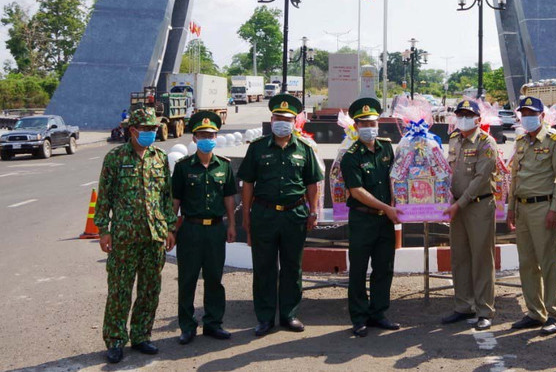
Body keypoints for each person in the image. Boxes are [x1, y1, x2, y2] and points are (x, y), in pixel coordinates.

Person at [94, 107, 177, 364]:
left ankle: (141, 336)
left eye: (153, 129)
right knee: (119, 291)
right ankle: (116, 340)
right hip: (124, 237)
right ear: (133, 131)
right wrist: (103, 230)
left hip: (154, 236)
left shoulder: (160, 158)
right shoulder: (115, 158)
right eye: (146, 129)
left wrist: (170, 228)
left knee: (149, 289)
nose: (151, 133)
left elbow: (166, 196)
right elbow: (104, 197)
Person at [238, 94, 323, 336]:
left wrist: (313, 211)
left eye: (287, 118)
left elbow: (312, 184)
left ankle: (289, 315)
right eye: (278, 117)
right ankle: (265, 318)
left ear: (295, 121)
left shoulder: (305, 149)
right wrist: (246, 215)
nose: (282, 122)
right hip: (264, 214)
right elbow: (247, 184)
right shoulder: (257, 148)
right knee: (263, 267)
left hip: (294, 214)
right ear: (271, 119)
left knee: (292, 267)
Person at [171, 111, 237, 345]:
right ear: (195, 138)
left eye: (210, 134)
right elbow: (175, 201)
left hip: (216, 229)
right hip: (190, 229)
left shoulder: (224, 166)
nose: (206, 138)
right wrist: (171, 229)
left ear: (216, 136)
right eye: (202, 134)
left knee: (214, 279)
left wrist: (231, 224)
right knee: (187, 279)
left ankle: (213, 323)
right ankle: (187, 326)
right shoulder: (183, 167)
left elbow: (229, 197)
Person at [506, 96, 556, 335]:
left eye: (532, 114)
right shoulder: (520, 140)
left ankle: (554, 313)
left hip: (543, 208)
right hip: (521, 208)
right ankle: (535, 311)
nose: (528, 118)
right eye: (524, 114)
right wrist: (511, 208)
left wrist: (555, 209)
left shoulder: (555, 140)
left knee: (547, 262)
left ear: (542, 116)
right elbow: (515, 177)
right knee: (527, 263)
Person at [340, 97, 402, 337]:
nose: (369, 128)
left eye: (373, 123)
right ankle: (359, 317)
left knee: (384, 268)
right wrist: (387, 208)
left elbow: (396, 177)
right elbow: (357, 191)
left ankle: (379, 313)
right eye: (364, 124)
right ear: (356, 127)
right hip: (363, 219)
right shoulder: (351, 155)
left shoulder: (386, 147)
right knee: (358, 269)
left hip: (385, 220)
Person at [441, 100, 500, 331]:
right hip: (457, 206)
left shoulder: (487, 143)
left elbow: (481, 178)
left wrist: (460, 203)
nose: (463, 118)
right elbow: (450, 172)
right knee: (460, 257)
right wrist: (447, 197)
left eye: (468, 115)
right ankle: (463, 305)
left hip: (478, 205)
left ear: (478, 119)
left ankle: (484, 310)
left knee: (482, 259)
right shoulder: (455, 139)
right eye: (460, 114)